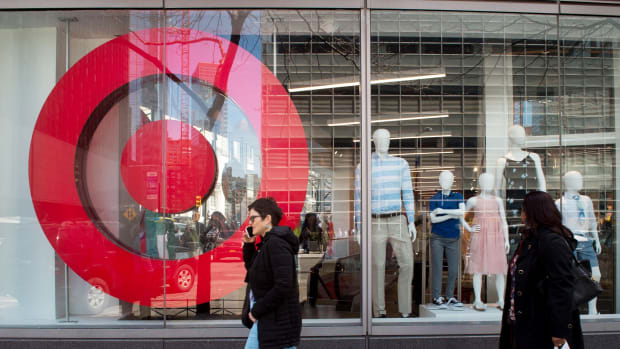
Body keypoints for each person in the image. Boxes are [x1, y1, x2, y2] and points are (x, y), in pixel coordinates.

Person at [500, 191, 584, 349]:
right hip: (523, 322)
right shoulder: (530, 239)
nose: (522, 215)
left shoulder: (552, 242)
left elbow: (562, 288)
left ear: (534, 212)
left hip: (542, 326)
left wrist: (559, 331)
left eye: (524, 210)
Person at [242, 197, 301, 349]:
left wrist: (257, 310)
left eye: (253, 218)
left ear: (267, 219)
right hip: (268, 318)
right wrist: (249, 246)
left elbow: (283, 285)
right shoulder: (266, 243)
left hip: (276, 320)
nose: (250, 223)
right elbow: (253, 272)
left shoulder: (276, 244)